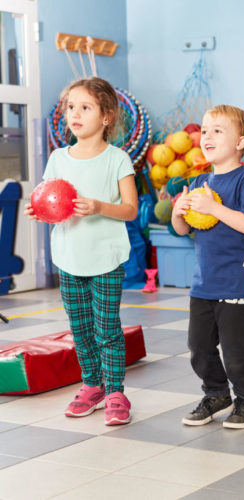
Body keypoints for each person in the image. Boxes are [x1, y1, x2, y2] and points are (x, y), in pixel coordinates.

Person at [24, 77, 138, 425]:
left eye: (85, 107)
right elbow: (50, 203)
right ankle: (92, 385)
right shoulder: (58, 158)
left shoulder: (117, 159)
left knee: (107, 329)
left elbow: (131, 209)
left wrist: (101, 206)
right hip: (69, 258)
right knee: (80, 328)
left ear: (106, 117)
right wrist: (39, 211)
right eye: (71, 106)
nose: (75, 113)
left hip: (106, 258)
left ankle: (116, 391)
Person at [171, 105, 244, 429]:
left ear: (240, 142)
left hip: (238, 283)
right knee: (198, 347)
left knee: (236, 349)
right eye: (205, 129)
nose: (206, 136)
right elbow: (184, 230)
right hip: (204, 283)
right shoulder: (199, 180)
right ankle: (216, 394)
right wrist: (177, 212)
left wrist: (214, 207)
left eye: (217, 130)